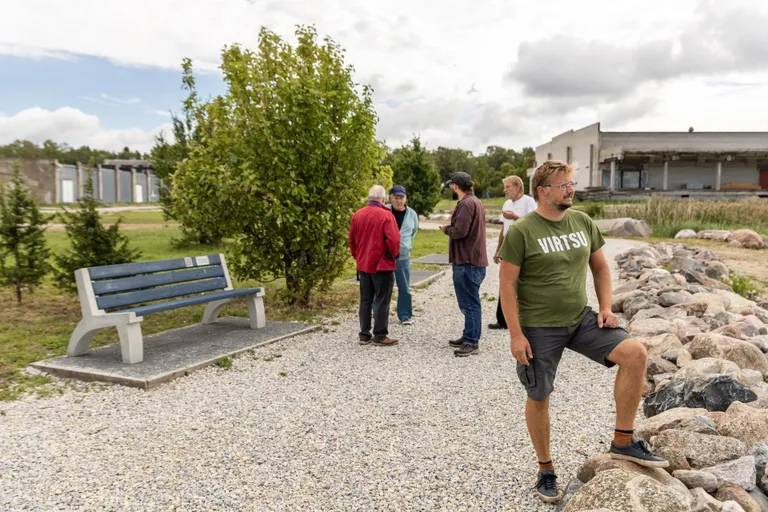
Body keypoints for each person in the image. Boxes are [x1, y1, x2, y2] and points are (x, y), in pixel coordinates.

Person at [497, 160, 668, 504]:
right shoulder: (523, 231)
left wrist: (606, 309)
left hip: (581, 319)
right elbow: (506, 285)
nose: (571, 190)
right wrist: (516, 335)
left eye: (572, 183)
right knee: (539, 395)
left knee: (634, 353)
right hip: (539, 327)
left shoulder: (582, 222)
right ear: (543, 191)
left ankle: (623, 440)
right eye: (564, 185)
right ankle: (546, 469)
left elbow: (601, 266)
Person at [440, 172, 488, 357]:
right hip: (471, 260)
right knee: (468, 301)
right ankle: (468, 335)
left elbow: (460, 231)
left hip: (468, 261)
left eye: (451, 185)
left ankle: (471, 342)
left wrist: (445, 229)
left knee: (470, 303)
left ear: (455, 186)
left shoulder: (467, 204)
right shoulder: (474, 201)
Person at [349, 185, 401, 346]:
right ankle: (380, 335)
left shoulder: (357, 215)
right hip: (382, 264)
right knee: (382, 299)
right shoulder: (386, 215)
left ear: (369, 198)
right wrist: (393, 256)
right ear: (383, 199)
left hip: (364, 264)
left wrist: (358, 257)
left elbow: (352, 240)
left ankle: (364, 334)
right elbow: (393, 240)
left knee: (365, 300)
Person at [489, 175, 537, 330]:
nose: (504, 190)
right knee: (505, 282)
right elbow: (504, 228)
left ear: (518, 187)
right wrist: (498, 250)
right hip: (508, 247)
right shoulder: (507, 203)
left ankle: (526, 319)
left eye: (507, 187)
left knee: (522, 283)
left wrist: (515, 217)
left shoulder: (529, 202)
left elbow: (533, 225)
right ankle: (502, 320)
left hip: (524, 247)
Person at [387, 185, 419, 325]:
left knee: (404, 286)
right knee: (382, 286)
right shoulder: (384, 211)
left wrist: (405, 245)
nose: (399, 201)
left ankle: (404, 314)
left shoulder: (412, 213)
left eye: (401, 198)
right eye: (396, 197)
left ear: (405, 198)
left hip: (403, 255)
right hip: (385, 254)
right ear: (390, 198)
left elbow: (414, 232)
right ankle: (377, 313)